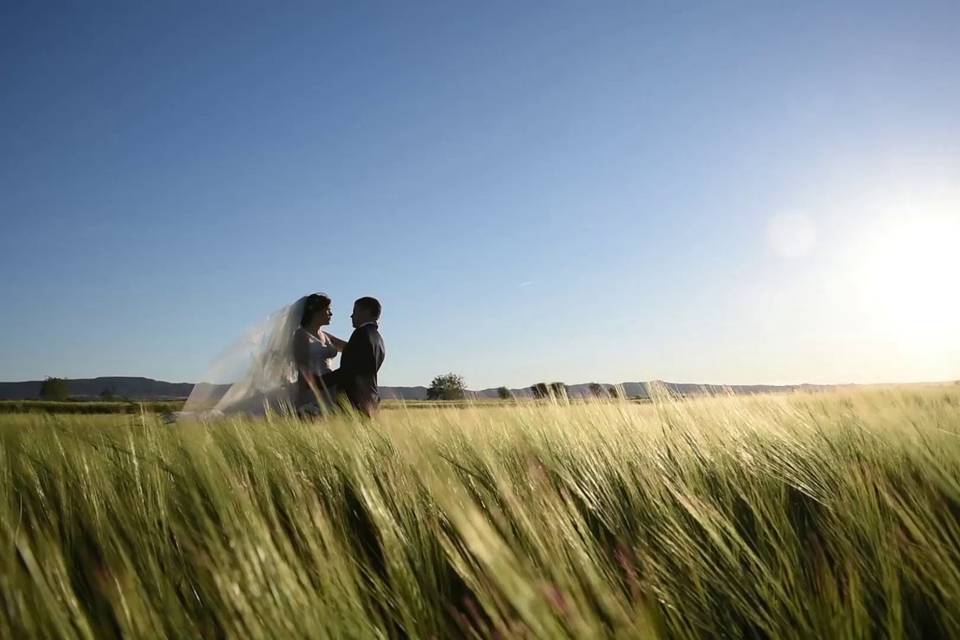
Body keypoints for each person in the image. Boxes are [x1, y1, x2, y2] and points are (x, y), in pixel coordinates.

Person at [320, 297, 385, 416]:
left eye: (355, 311)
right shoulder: (378, 339)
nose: (351, 316)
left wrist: (318, 382)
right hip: (371, 401)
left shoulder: (360, 334)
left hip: (353, 403)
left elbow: (349, 371)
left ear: (365, 312)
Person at [292, 293, 347, 413]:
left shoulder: (325, 335)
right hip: (313, 388)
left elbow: (349, 348)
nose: (331, 314)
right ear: (316, 312)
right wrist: (301, 400)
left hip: (330, 386)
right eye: (328, 310)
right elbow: (302, 368)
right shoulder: (301, 335)